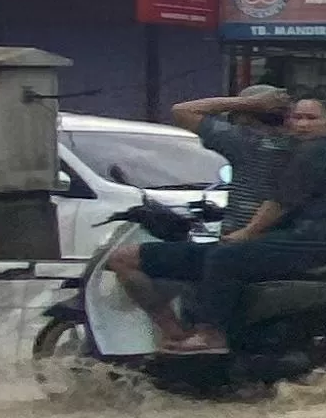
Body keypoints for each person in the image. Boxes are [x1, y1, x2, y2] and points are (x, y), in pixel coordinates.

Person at [168, 92, 326, 352]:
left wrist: (245, 233)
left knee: (224, 259)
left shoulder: (318, 151)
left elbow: (280, 204)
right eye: (297, 117)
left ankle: (212, 335)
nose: (301, 124)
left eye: (311, 118)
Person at [107, 83, 290, 329]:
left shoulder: (247, 142)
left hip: (242, 250)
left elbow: (183, 111)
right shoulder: (298, 146)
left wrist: (246, 103)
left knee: (122, 259)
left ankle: (174, 336)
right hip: (277, 246)